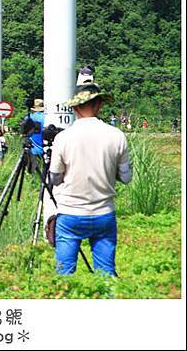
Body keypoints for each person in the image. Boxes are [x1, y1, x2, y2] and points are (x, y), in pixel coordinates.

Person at [47, 83, 132, 276]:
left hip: (70, 213)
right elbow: (126, 178)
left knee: (64, 274)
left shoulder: (63, 137)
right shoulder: (117, 135)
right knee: (106, 274)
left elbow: (55, 178)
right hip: (104, 213)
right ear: (99, 104)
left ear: (75, 107)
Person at [27, 99, 45, 173]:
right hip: (44, 147)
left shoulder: (30, 117)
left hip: (32, 148)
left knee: (32, 170)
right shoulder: (46, 117)